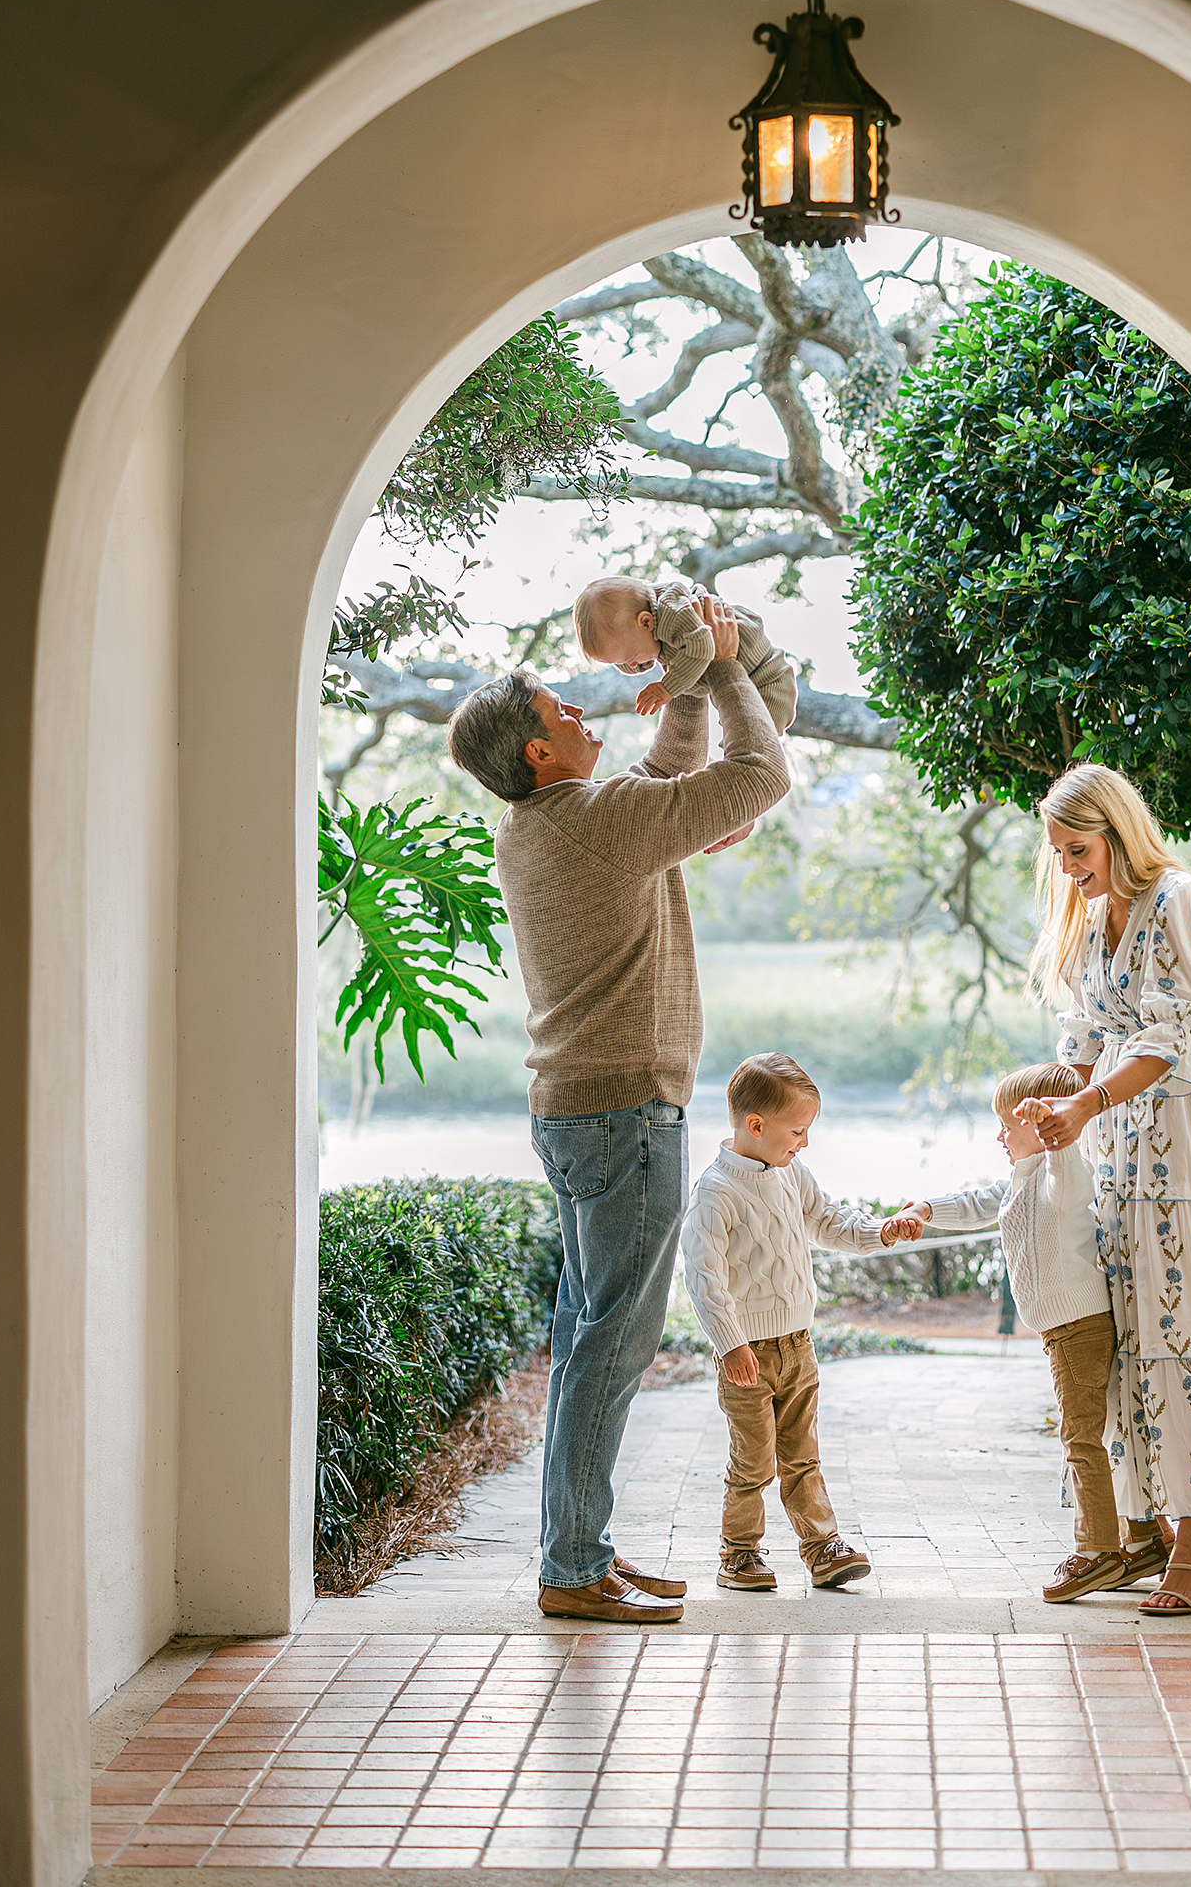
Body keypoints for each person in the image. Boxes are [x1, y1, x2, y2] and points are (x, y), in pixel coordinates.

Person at [448, 594, 789, 1626]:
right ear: (542, 752)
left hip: (578, 1112)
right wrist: (724, 666)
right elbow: (757, 775)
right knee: (612, 1344)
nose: (591, 717)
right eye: (569, 712)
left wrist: (680, 692)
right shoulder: (596, 824)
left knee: (587, 1335)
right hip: (626, 1114)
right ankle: (572, 1568)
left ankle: (578, 1549)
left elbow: (659, 779)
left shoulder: (541, 824)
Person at [1015, 762, 1191, 1618]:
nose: (1066, 868)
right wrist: (1052, 1103)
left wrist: (1087, 1101)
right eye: (1055, 853)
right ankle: (1161, 1534)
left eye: (1076, 849)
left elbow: (1175, 1036)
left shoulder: (1182, 901)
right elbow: (1087, 1033)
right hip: (1123, 1157)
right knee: (1130, 1336)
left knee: (1185, 1328)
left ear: (1118, 833)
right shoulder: (1094, 918)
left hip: (1188, 1156)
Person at [906, 1061, 1170, 1602]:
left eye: (1009, 1123)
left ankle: (1096, 1551)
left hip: (1078, 1328)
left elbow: (1065, 1173)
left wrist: (1056, 1135)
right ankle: (1144, 1536)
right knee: (1109, 1430)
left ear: (1045, 1124)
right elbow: (980, 1201)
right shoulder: (1021, 1180)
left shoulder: (1062, 1178)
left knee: (1080, 1439)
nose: (1000, 1135)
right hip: (1067, 1328)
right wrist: (927, 1208)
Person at [681, 1052, 924, 1593]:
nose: (804, 1143)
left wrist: (879, 1232)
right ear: (756, 1125)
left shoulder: (793, 1175)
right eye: (798, 1130)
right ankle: (738, 1554)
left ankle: (822, 1549)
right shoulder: (716, 1192)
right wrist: (730, 1343)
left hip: (798, 1346)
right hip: (747, 1355)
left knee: (802, 1456)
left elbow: (831, 1221)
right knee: (754, 1461)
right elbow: (703, 1279)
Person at [574, 572, 800, 731]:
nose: (631, 666)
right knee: (736, 730)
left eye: (630, 659)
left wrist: (666, 688)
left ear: (646, 623)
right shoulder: (648, 625)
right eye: (620, 663)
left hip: (767, 676)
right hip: (744, 682)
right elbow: (638, 654)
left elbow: (702, 648)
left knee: (758, 734)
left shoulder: (674, 612)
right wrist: (634, 659)